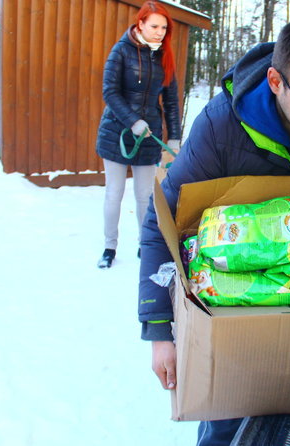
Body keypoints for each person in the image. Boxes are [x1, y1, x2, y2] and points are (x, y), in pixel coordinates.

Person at [139, 14, 290, 445]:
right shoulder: (220, 128)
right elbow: (159, 222)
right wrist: (160, 330)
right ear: (275, 81)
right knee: (227, 423)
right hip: (238, 305)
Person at [95, 0, 181, 268]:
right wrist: (132, 121)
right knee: (114, 192)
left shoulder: (164, 56)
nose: (160, 32)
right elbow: (110, 91)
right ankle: (110, 247)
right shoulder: (121, 51)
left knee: (145, 195)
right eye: (154, 26)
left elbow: (170, 101)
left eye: (164, 28)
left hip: (147, 137)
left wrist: (174, 137)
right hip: (116, 133)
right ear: (140, 23)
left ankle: (145, 244)